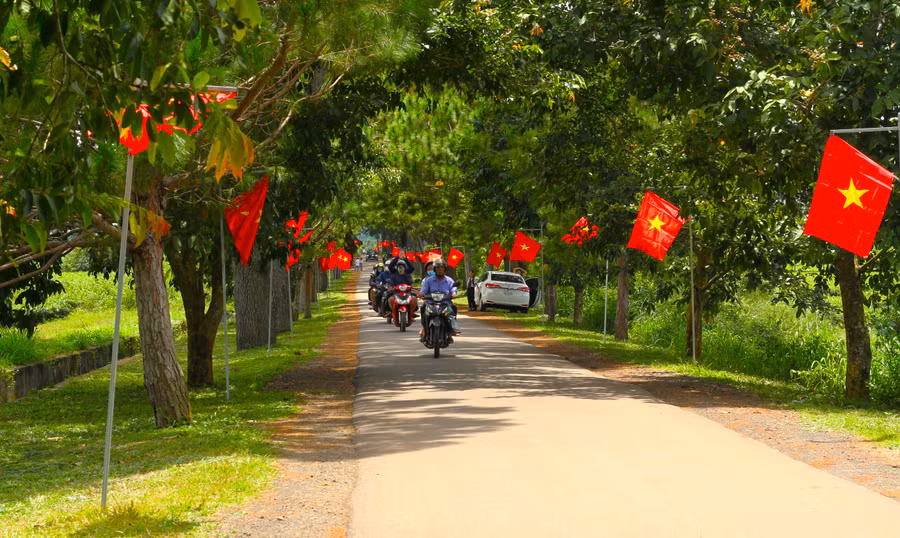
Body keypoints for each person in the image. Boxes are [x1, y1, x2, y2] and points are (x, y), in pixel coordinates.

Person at [418, 260, 460, 338]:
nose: (439, 269)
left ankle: (451, 330)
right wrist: (421, 294)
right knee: (423, 308)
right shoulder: (429, 280)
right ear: (435, 269)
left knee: (453, 308)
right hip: (431, 303)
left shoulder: (449, 280)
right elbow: (423, 290)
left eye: (441, 267)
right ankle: (424, 328)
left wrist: (454, 294)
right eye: (437, 268)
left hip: (445, 303)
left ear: (444, 269)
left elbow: (453, 288)